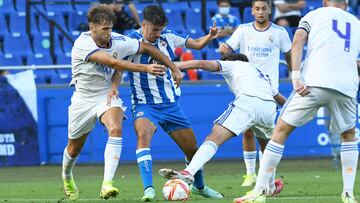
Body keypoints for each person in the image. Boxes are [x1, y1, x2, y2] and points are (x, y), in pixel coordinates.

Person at [235, 0, 360, 202]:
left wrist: (295, 75)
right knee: (348, 135)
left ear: (325, 1)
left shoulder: (314, 15)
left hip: (314, 82)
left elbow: (298, 40)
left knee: (280, 131)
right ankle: (348, 194)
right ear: (345, 4)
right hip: (346, 86)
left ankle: (259, 192)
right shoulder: (356, 22)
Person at [61, 4, 181, 201]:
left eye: (110, 28)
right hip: (83, 100)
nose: (109, 33)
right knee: (74, 148)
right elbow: (113, 63)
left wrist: (173, 67)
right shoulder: (82, 44)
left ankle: (107, 184)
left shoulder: (117, 40)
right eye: (104, 29)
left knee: (116, 128)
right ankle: (67, 176)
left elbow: (147, 47)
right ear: (92, 28)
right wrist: (145, 68)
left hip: (106, 96)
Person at [126, 5, 223, 202]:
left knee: (192, 150)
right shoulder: (129, 40)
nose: (157, 33)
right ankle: (148, 190)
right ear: (143, 24)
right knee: (143, 135)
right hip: (145, 104)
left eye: (160, 29)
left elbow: (195, 44)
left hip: (170, 104)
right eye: (154, 29)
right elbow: (118, 65)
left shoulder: (168, 37)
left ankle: (200, 187)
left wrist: (209, 36)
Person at [158, 53, 282, 197]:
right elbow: (279, 98)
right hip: (269, 108)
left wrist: (172, 66)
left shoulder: (234, 64)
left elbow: (199, 63)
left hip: (248, 101)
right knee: (266, 148)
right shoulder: (261, 74)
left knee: (215, 137)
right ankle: (270, 186)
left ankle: (189, 172)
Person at [219, 0, 291, 187]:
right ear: (252, 11)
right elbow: (227, 49)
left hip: (269, 89)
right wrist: (224, 50)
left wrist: (294, 74)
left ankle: (264, 176)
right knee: (248, 130)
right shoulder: (243, 30)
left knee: (265, 135)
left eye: (264, 9)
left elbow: (290, 54)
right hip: (247, 84)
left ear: (269, 10)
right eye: (257, 9)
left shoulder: (279, 32)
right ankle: (250, 174)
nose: (260, 12)